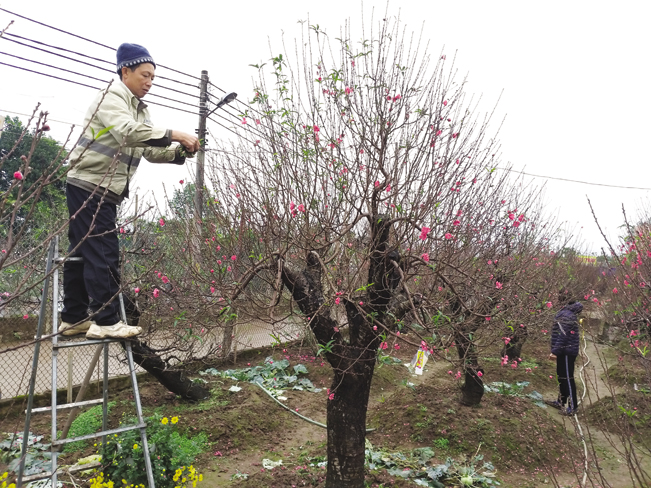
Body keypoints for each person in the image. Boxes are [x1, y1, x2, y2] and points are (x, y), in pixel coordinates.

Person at [59, 43, 200, 340]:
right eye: (145, 75)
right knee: (103, 252)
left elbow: (149, 150)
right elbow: (126, 131)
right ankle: (106, 322)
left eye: (152, 78)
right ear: (126, 71)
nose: (149, 82)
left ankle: (73, 318)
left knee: (82, 252)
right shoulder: (112, 96)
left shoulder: (139, 109)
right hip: (90, 184)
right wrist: (175, 133)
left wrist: (180, 152)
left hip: (101, 188)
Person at [546, 300, 583, 416]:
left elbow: (563, 335)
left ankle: (573, 407)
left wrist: (555, 351)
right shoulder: (566, 313)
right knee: (561, 376)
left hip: (567, 352)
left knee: (567, 378)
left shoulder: (567, 315)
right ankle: (561, 401)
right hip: (564, 350)